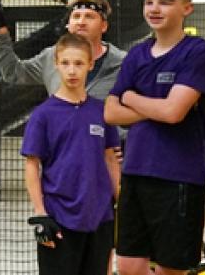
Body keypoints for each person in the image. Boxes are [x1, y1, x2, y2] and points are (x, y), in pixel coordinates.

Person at [104, 0, 205, 275]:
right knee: (128, 264)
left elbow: (173, 113)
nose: (154, 9)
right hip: (135, 172)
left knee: (170, 267)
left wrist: (131, 96)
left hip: (178, 176)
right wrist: (157, 107)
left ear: (186, 9)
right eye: (149, 2)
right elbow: (111, 113)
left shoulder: (197, 52)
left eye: (165, 3)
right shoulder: (137, 54)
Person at [22, 33, 121, 275]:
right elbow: (32, 164)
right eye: (65, 63)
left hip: (100, 217)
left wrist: (124, 204)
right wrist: (40, 213)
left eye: (78, 63)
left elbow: (110, 159)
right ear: (56, 64)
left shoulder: (102, 111)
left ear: (90, 64)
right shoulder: (43, 115)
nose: (72, 71)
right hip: (59, 219)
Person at [0, 0, 126, 100]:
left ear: (104, 26)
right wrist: (1, 33)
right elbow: (13, 73)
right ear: (68, 25)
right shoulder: (51, 57)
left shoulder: (124, 63)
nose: (81, 22)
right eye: (76, 16)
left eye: (89, 17)